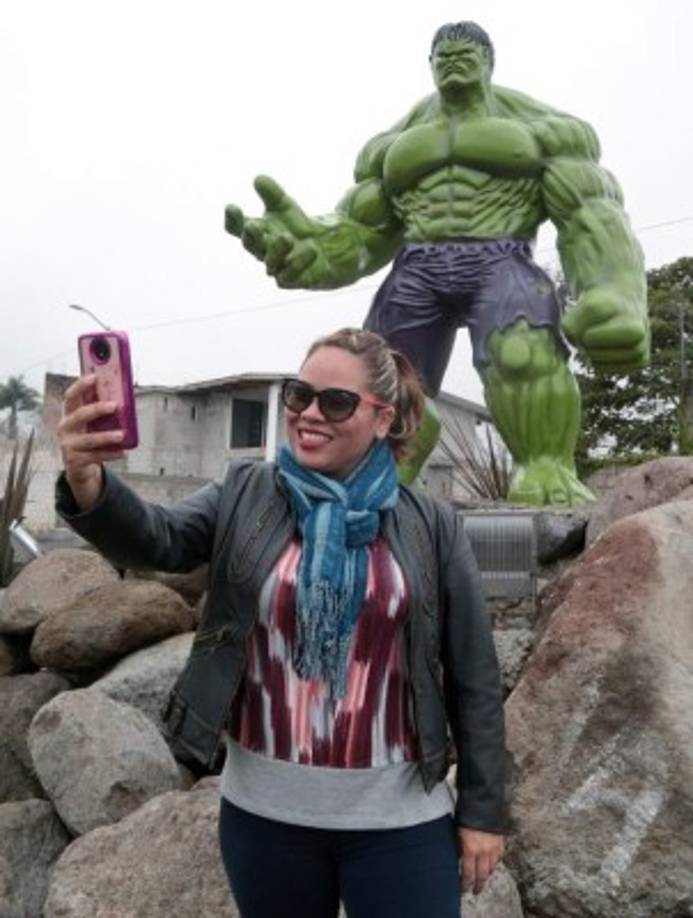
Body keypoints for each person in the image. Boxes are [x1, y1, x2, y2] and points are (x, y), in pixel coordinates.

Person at [56, 328, 505, 918]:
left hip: (401, 823)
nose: (310, 413)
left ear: (382, 419)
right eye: (300, 395)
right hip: (266, 821)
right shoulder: (245, 493)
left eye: (336, 402)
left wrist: (483, 812)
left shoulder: (433, 526)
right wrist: (88, 483)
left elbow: (475, 674)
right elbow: (158, 540)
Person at [225, 21, 649, 507]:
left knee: (520, 352)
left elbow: (589, 210)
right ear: (429, 65)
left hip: (500, 253)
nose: (453, 59)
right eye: (443, 54)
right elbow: (363, 230)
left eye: (467, 52)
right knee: (381, 376)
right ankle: (384, 477)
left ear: (489, 61)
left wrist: (613, 289)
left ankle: (545, 469)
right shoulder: (395, 144)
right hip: (418, 263)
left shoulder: (545, 130)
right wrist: (312, 249)